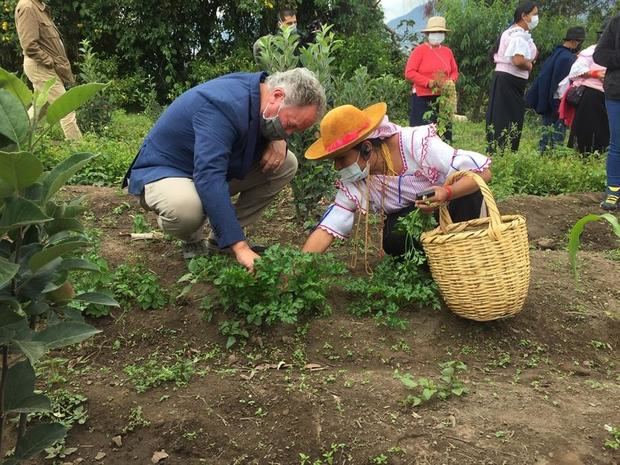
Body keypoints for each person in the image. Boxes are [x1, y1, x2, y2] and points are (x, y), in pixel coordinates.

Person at [123, 68, 326, 270]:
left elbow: (257, 129)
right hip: (164, 170)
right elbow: (209, 177)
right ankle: (192, 238)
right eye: (289, 125)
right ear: (277, 96)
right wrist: (241, 247)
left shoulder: (260, 97)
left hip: (204, 169)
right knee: (185, 209)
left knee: (286, 163)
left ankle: (221, 239)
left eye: (294, 131)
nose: (288, 133)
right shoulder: (224, 106)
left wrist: (277, 137)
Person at [301, 103, 491, 257]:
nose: (338, 167)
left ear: (366, 148)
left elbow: (483, 173)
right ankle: (439, 262)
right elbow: (329, 226)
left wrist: (447, 192)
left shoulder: (415, 143)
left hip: (452, 208)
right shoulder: (358, 180)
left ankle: (466, 252)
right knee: (393, 239)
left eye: (341, 158)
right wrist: (297, 269)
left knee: (468, 194)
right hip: (421, 219)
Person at [15, 0, 82, 140]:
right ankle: (79, 150)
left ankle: (15, 139)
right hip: (41, 66)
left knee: (40, 107)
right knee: (66, 107)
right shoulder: (27, 6)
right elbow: (29, 44)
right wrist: (49, 61)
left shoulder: (39, 8)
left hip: (44, 66)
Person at [486, 1, 539, 155]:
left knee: (505, 118)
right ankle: (501, 154)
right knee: (506, 119)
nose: (537, 17)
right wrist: (529, 65)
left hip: (508, 80)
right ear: (524, 16)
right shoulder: (517, 35)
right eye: (534, 14)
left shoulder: (516, 33)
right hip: (509, 79)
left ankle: (502, 152)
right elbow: (518, 60)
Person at [525, 26, 585, 152]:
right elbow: (562, 86)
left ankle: (542, 161)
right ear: (575, 42)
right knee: (556, 140)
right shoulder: (568, 59)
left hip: (547, 102)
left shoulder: (557, 53)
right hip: (557, 104)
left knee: (545, 137)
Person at [404, 16, 458, 143]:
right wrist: (429, 83)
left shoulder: (447, 52)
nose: (437, 35)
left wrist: (450, 81)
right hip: (422, 97)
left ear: (444, 34)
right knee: (421, 134)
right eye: (434, 32)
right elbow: (409, 73)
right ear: (428, 34)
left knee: (443, 132)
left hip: (443, 98)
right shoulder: (419, 51)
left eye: (440, 32)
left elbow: (454, 71)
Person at [560, 28, 608, 155]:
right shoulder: (593, 51)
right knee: (585, 134)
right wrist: (594, 73)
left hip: (610, 98)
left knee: (604, 136)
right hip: (592, 97)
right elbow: (576, 69)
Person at [594, 13, 620, 210]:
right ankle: (613, 191)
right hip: (616, 92)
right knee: (617, 143)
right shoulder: (616, 22)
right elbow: (599, 54)